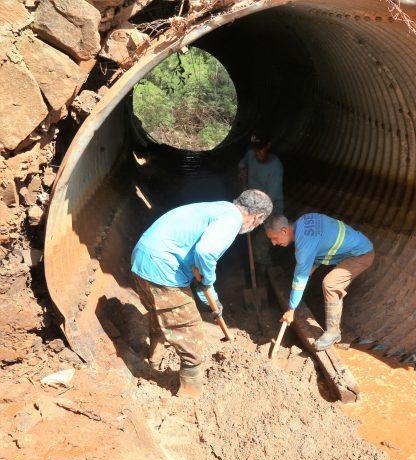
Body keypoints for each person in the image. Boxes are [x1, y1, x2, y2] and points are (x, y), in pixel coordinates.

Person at [131, 190, 273, 397]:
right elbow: (205, 252)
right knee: (191, 332)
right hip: (163, 269)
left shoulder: (219, 208)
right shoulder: (231, 220)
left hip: (143, 260)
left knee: (158, 313)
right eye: (258, 224)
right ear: (257, 217)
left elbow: (196, 263)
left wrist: (208, 294)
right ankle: (191, 392)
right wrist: (208, 280)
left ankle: (154, 356)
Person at [264, 213, 374, 351]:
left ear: (284, 231)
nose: (273, 243)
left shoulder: (303, 246)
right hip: (356, 246)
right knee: (309, 274)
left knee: (330, 284)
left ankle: (333, 333)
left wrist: (291, 309)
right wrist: (313, 266)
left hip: (361, 254)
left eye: (274, 238)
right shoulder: (304, 220)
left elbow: (300, 278)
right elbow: (320, 242)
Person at [238, 134, 283, 215]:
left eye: (261, 149)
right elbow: (242, 166)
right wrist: (244, 186)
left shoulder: (276, 168)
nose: (257, 152)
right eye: (255, 149)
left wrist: (251, 213)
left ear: (268, 145)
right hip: (252, 199)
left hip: (271, 207)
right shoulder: (250, 154)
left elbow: (269, 199)